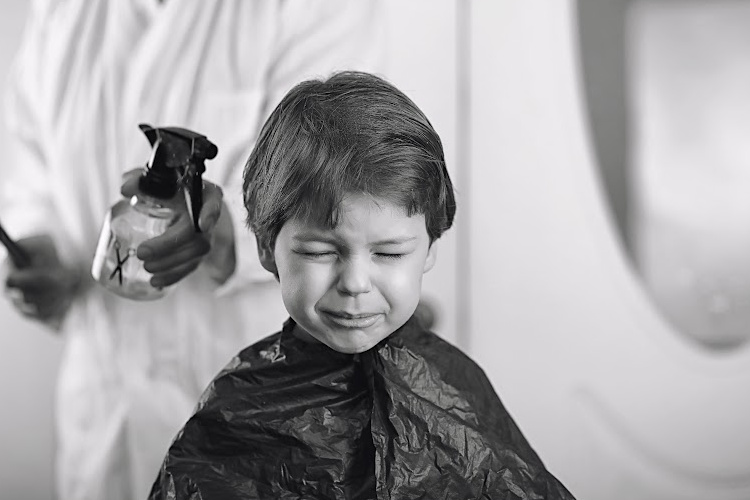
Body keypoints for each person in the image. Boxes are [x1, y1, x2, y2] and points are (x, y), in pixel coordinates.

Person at [0, 2, 383, 500]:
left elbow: (335, 198)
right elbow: (29, 167)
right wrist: (39, 245)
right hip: (102, 410)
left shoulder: (314, 9)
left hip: (257, 415)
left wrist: (225, 236)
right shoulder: (60, 12)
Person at [149, 72, 576, 500]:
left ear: (429, 248)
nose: (354, 283)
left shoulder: (457, 399)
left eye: (388, 254)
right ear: (264, 247)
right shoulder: (238, 414)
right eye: (319, 252)